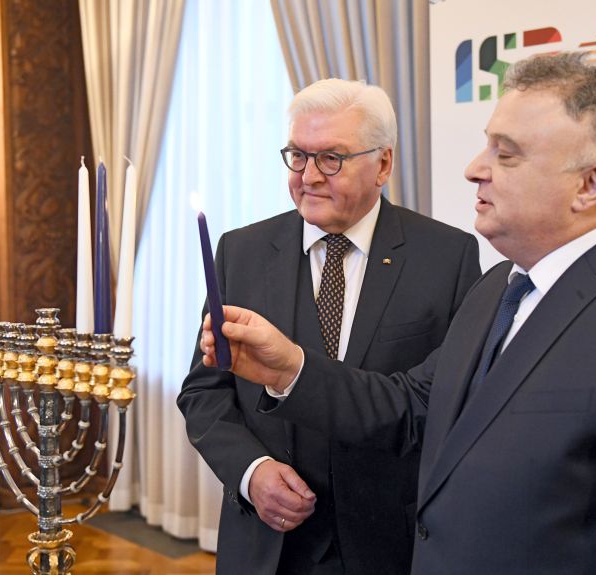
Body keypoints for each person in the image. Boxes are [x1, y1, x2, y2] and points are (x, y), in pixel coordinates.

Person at [199, 53, 596, 574]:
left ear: (590, 184)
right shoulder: (503, 286)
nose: (475, 168)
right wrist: (287, 369)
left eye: (506, 153)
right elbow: (413, 407)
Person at [177, 78, 481, 575]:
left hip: (389, 545)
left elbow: (448, 407)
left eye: (331, 158)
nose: (309, 176)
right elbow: (204, 392)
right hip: (268, 545)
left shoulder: (447, 257)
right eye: (298, 155)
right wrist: (252, 473)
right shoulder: (242, 251)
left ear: (383, 163)